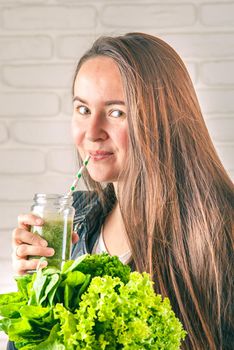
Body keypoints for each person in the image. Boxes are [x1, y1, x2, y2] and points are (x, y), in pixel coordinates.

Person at [8, 33, 233, 349]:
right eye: (83, 109)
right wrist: (34, 293)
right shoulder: (78, 217)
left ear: (162, 119)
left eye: (116, 112)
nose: (92, 132)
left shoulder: (221, 230)